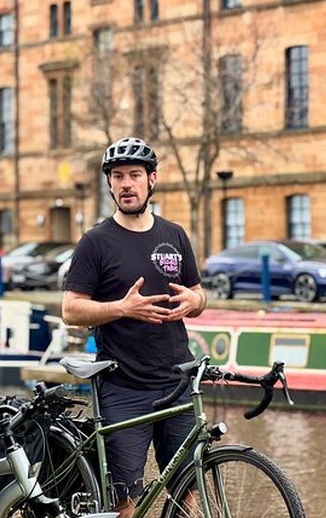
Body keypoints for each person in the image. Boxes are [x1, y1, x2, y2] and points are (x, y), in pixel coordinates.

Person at [61, 136, 207, 518]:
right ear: (110, 184)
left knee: (187, 493)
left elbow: (198, 295)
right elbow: (71, 310)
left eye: (135, 175)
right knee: (127, 501)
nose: (126, 184)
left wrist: (197, 302)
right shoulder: (95, 243)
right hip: (123, 388)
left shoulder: (174, 235)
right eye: (118, 176)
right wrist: (122, 308)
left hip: (177, 382)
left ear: (151, 180)